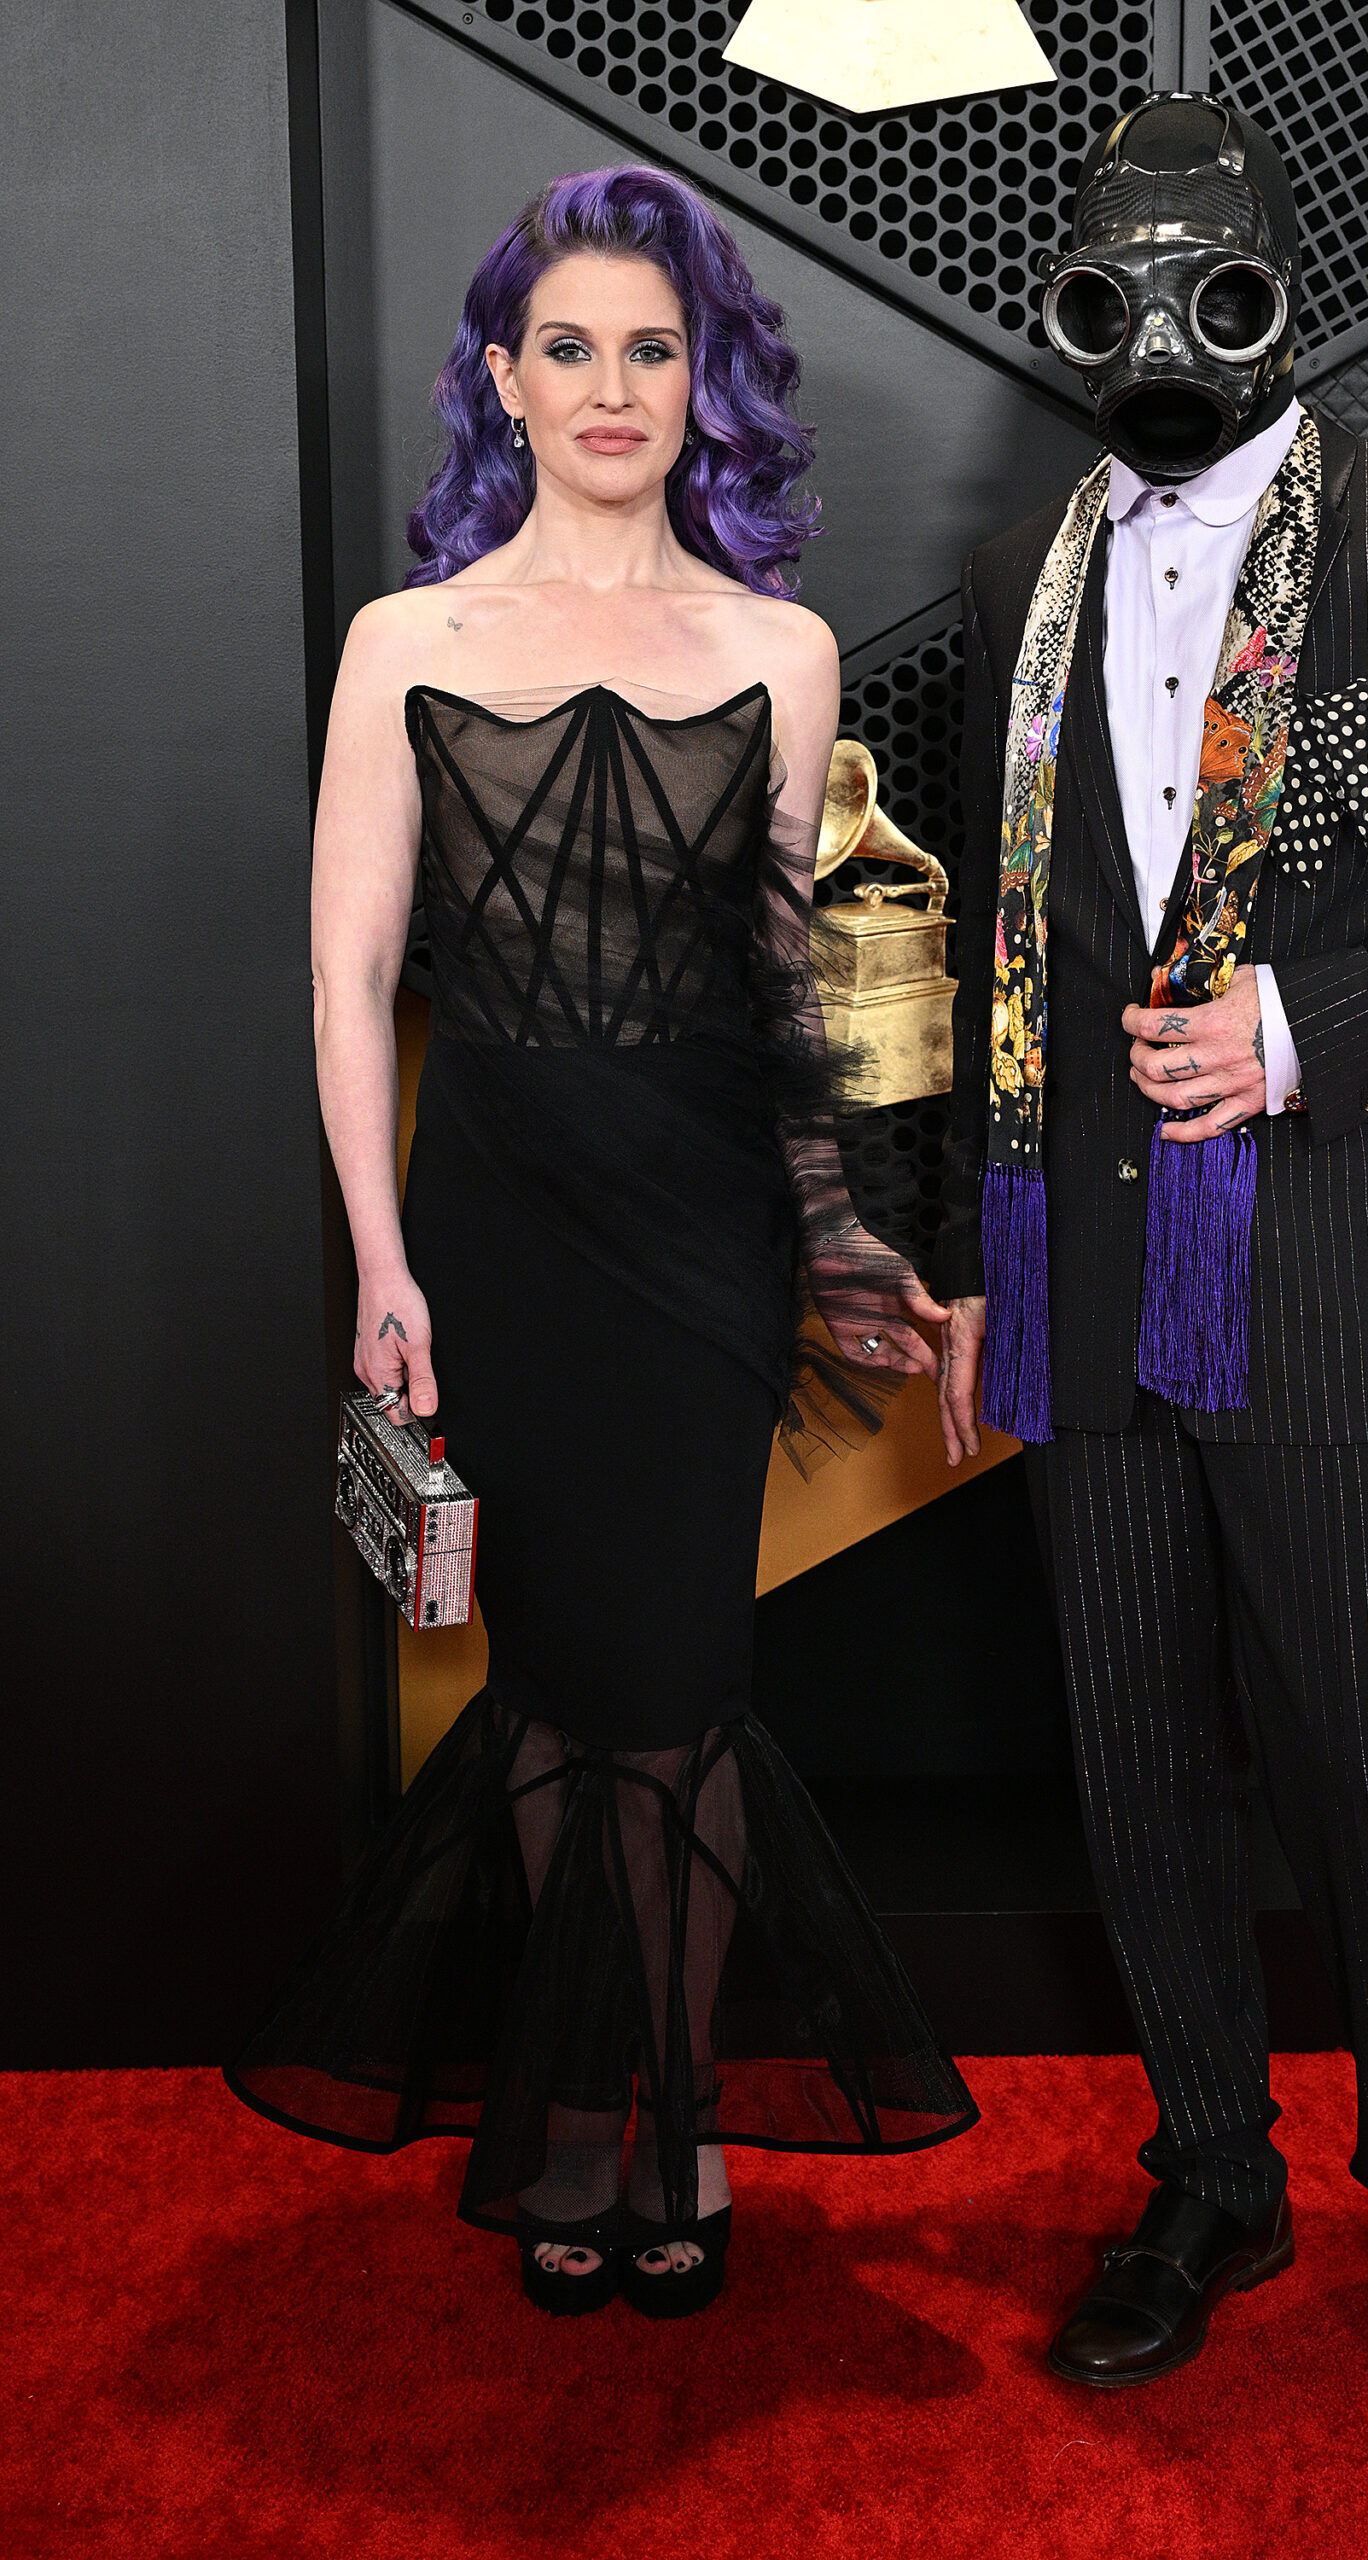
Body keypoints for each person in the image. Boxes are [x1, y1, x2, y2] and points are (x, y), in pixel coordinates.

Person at [932, 93, 1368, 2464]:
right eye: (1115, 283)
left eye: (1205, 281)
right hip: (1083, 1274)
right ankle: (1210, 2177)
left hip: (1324, 1264)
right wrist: (966, 1269)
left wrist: (1305, 1031)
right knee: (1133, 1756)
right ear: (1078, 309)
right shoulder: (1032, 581)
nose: (1161, 331)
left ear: (1278, 292)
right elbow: (1000, 966)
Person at [227, 166, 976, 2321]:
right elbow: (348, 971)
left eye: (653, 346)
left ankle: (673, 2106)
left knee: (678, 1686)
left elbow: (781, 992)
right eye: (570, 345)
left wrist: (833, 1233)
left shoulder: (782, 651)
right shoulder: (408, 644)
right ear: (504, 377)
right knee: (559, 1692)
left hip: (705, 1235)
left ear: (702, 379)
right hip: (496, 1228)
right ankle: (590, 2118)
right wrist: (381, 1260)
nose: (612, 384)